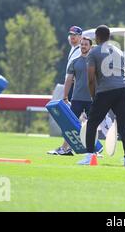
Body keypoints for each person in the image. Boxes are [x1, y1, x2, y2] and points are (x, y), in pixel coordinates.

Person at [77, 25, 125, 166]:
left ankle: (90, 156)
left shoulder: (94, 52)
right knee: (124, 125)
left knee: (92, 123)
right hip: (123, 88)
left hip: (106, 90)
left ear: (97, 37)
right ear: (108, 37)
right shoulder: (118, 51)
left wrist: (93, 96)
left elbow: (90, 78)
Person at [47, 26, 83, 156]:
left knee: (73, 118)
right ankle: (68, 147)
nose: (72, 37)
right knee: (78, 118)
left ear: (80, 37)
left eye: (75, 35)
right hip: (75, 87)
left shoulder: (80, 50)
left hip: (77, 88)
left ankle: (67, 147)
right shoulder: (74, 48)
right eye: (71, 35)